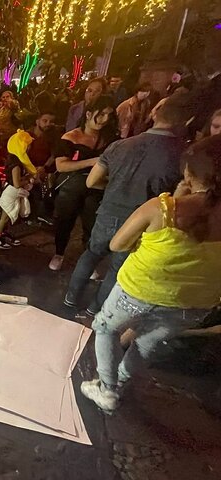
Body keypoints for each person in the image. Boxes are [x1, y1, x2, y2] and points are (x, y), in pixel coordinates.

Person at [80, 135, 221, 412]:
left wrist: (176, 199)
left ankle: (107, 389)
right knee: (145, 344)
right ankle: (120, 383)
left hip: (139, 289)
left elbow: (117, 244)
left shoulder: (162, 208)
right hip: (193, 303)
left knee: (106, 329)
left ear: (189, 173)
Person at [64, 94, 193, 314]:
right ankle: (94, 310)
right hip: (142, 222)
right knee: (118, 267)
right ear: (185, 121)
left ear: (155, 114)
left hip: (108, 212)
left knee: (91, 254)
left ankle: (70, 299)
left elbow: (91, 181)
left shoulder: (121, 145)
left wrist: (114, 185)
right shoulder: (182, 155)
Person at [49, 95, 118, 271]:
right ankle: (59, 253)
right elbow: (61, 165)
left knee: (91, 224)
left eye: (109, 115)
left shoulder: (110, 139)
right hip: (72, 186)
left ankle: (87, 260)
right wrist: (92, 162)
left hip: (97, 187)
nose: (104, 120)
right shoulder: (71, 137)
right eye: (101, 114)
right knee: (65, 221)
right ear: (88, 114)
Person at [0, 133, 33, 249]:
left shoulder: (14, 161)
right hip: (10, 194)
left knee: (9, 217)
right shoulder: (16, 165)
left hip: (12, 193)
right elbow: (16, 184)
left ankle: (3, 234)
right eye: (28, 145)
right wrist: (27, 180)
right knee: (5, 217)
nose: (30, 148)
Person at [26, 111, 58, 224]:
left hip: (45, 169)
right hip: (28, 168)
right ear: (37, 121)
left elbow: (54, 155)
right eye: (45, 121)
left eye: (51, 121)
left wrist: (44, 167)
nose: (48, 124)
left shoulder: (53, 136)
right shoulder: (27, 135)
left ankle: (43, 214)